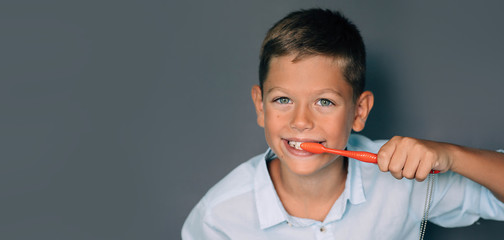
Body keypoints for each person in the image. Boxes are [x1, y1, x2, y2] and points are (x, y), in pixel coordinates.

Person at [181, 8, 504, 239]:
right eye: (282, 100)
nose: (301, 121)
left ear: (359, 112)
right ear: (260, 106)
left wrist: (451, 155)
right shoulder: (218, 219)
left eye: (325, 102)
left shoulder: (404, 179)